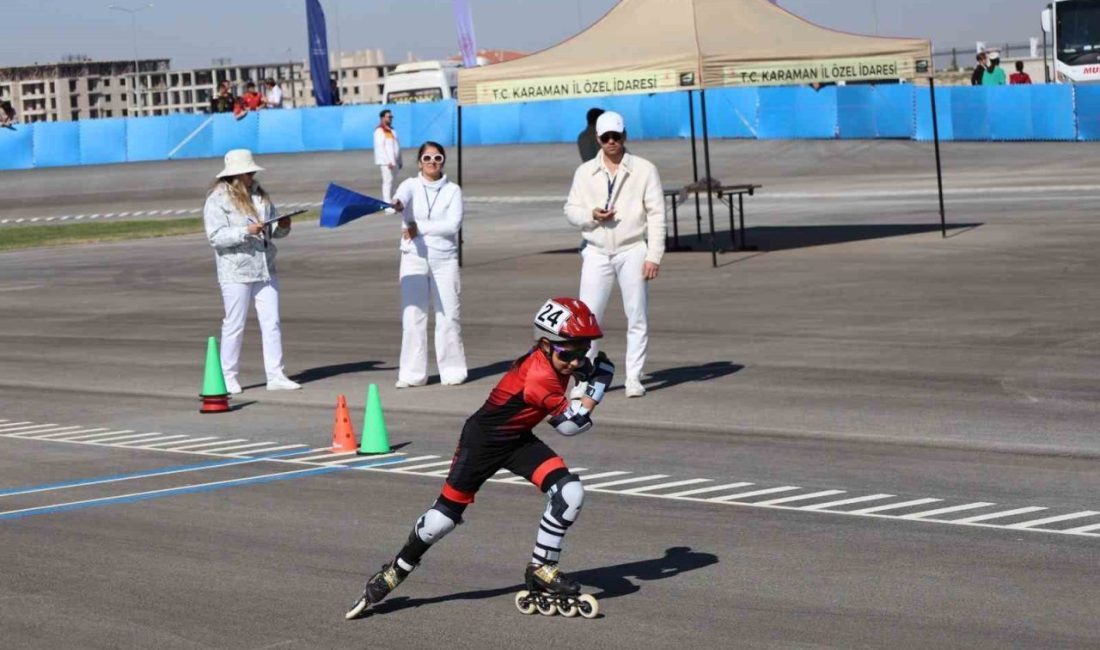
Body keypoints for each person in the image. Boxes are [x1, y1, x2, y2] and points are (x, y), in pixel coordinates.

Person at [345, 297, 615, 620]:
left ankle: (542, 568)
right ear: (545, 345)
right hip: (482, 443)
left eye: (582, 350)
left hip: (516, 440)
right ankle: (394, 571)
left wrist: (586, 368)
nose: (575, 361)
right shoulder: (539, 377)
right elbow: (571, 425)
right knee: (441, 521)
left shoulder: (558, 358)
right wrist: (598, 384)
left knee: (570, 493)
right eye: (568, 353)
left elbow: (578, 369)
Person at [564, 111, 665, 399]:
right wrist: (591, 215)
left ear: (625, 136)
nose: (611, 142)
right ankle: (584, 379)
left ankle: (634, 376)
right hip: (596, 250)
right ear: (597, 138)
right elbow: (570, 210)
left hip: (633, 248)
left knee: (636, 314)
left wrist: (654, 255)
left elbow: (657, 214)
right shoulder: (585, 172)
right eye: (605, 137)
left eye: (616, 136)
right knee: (587, 318)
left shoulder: (645, 169)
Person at [203, 149, 301, 394]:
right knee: (234, 323)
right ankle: (228, 375)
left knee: (272, 322)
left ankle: (275, 374)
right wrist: (245, 231)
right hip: (235, 269)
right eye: (248, 172)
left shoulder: (260, 196)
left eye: (252, 171)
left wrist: (284, 226)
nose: (252, 175)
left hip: (265, 266)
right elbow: (215, 237)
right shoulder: (217, 198)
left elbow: (273, 231)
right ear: (235, 175)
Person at [390, 141, 467, 388]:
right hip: (413, 258)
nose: (432, 163)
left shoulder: (453, 190)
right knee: (413, 316)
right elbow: (400, 198)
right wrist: (398, 204)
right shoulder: (410, 185)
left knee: (449, 316)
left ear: (443, 162)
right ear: (419, 162)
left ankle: (453, 371)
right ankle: (412, 374)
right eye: (427, 158)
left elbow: (452, 225)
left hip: (445, 260)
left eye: (437, 158)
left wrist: (418, 228)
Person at [373, 109, 403, 207]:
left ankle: (393, 203)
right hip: (386, 163)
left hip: (395, 162)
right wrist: (387, 161)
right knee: (388, 182)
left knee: (394, 183)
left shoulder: (392, 130)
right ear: (382, 118)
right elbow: (380, 148)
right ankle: (386, 204)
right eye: (388, 117)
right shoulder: (379, 131)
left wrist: (400, 160)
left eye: (391, 117)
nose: (390, 119)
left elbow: (397, 146)